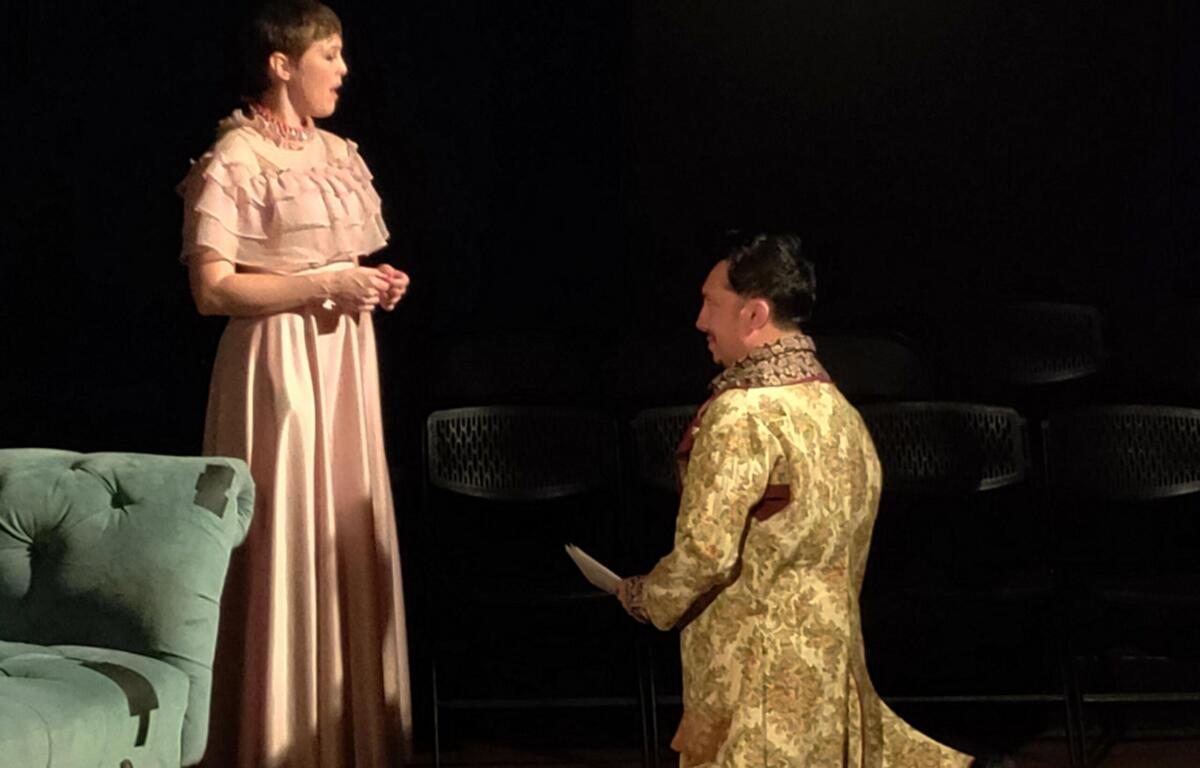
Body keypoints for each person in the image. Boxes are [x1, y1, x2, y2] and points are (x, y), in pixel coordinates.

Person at [617, 233, 974, 767]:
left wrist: (646, 597)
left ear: (754, 313)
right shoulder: (838, 410)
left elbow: (705, 555)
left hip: (755, 677)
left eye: (712, 304)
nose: (700, 321)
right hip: (830, 670)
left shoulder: (741, 416)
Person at [177, 2, 411, 765]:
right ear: (282, 64)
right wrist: (323, 285)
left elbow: (342, 266)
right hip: (277, 369)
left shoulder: (341, 154)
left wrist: (371, 283)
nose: (343, 71)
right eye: (330, 56)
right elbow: (214, 291)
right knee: (284, 533)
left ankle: (345, 736)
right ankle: (269, 735)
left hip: (344, 363)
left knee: (343, 525)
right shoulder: (236, 157)